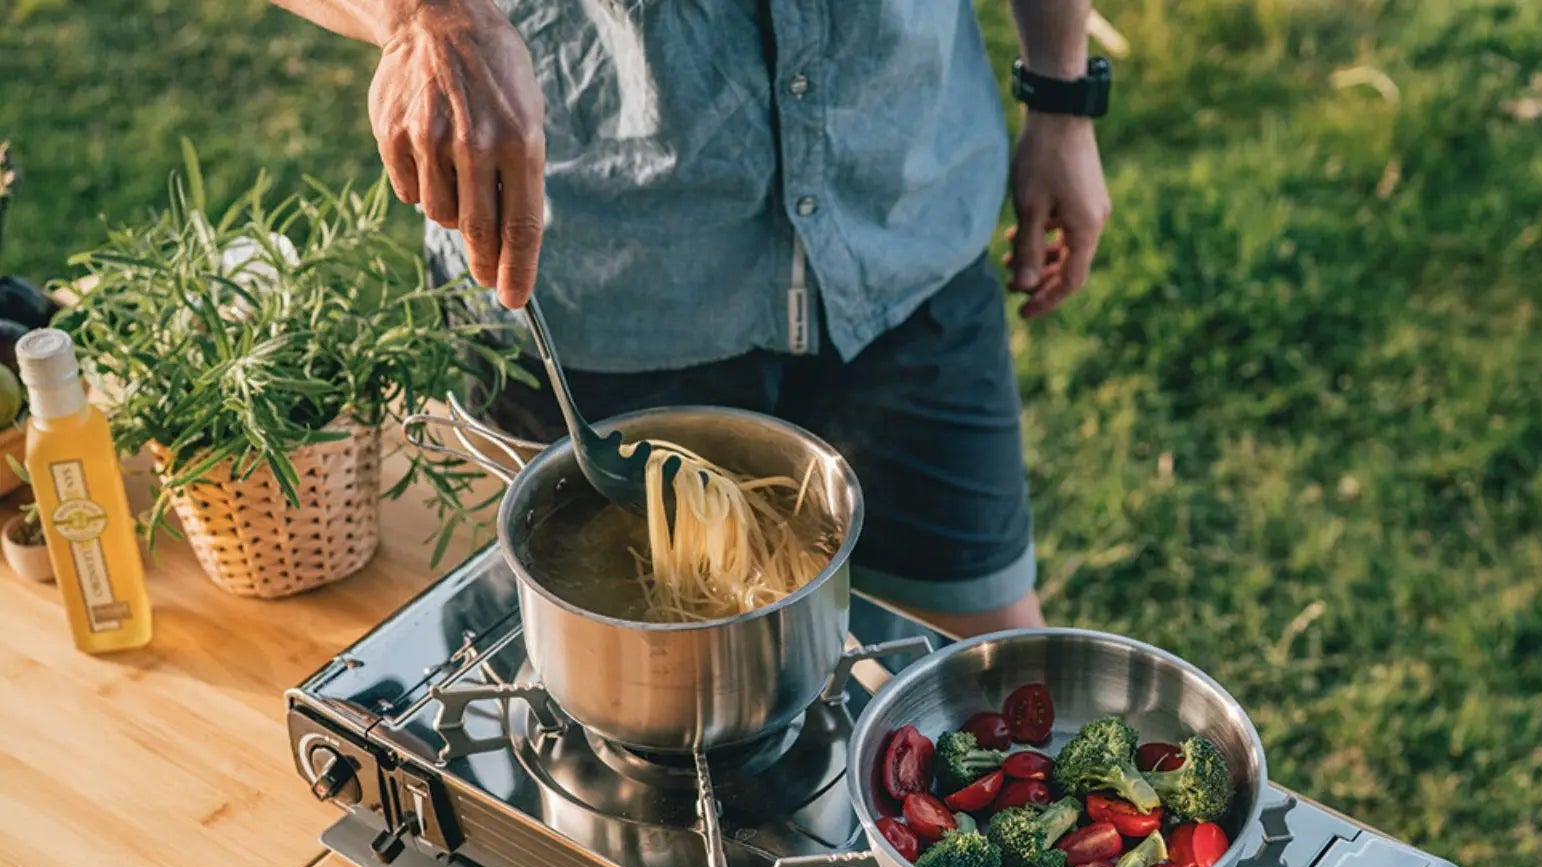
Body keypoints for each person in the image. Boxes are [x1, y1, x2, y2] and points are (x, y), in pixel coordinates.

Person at [270, 0, 1112, 635]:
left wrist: (1061, 92)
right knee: (619, 723)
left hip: (904, 222)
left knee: (984, 685)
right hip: (600, 284)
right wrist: (420, 15)